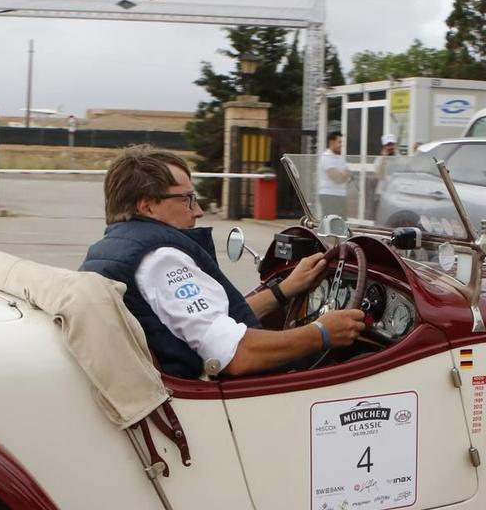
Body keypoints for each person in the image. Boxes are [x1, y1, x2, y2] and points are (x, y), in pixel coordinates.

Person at [83, 146, 366, 378]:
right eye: (188, 199)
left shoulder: (120, 247)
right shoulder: (161, 260)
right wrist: (323, 332)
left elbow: (202, 321)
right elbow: (235, 354)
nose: (199, 211)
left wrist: (284, 290)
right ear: (147, 206)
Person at [316, 130, 350, 225]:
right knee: (331, 224)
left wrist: (343, 176)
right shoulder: (326, 157)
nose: (341, 145)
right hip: (329, 195)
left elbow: (349, 174)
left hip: (341, 195)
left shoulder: (340, 157)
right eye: (339, 142)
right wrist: (344, 176)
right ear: (331, 142)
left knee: (342, 223)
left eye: (342, 142)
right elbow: (336, 178)